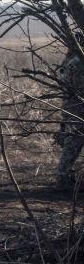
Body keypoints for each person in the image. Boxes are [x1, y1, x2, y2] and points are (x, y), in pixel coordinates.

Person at [55, 44, 84, 192]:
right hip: (77, 110)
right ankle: (62, 178)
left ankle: (64, 177)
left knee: (72, 142)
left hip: (72, 108)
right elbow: (79, 88)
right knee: (73, 142)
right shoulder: (78, 62)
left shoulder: (72, 60)